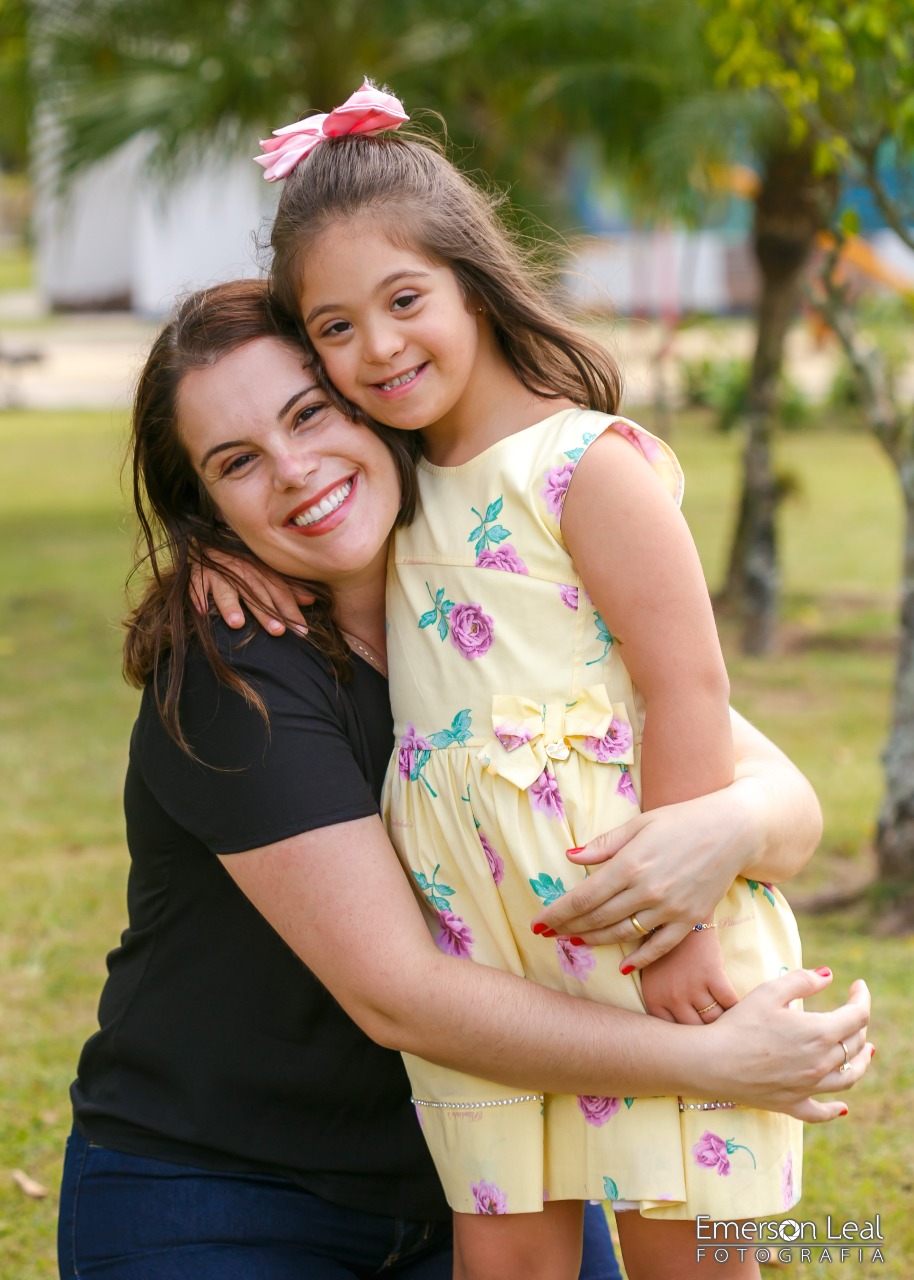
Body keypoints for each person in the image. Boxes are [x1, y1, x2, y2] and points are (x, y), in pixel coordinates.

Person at [143, 282, 874, 1280]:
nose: (293, 468)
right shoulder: (235, 670)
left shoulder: (496, 571)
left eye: (308, 411)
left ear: (372, 397)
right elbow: (400, 996)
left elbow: (784, 805)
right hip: (247, 1189)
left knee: (709, 1251)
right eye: (235, 462)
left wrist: (720, 828)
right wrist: (711, 1059)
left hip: (512, 1139)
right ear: (206, 509)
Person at [243, 80, 814, 1279]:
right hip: (476, 942)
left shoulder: (579, 465)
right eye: (334, 327)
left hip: (634, 917)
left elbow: (686, 690)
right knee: (502, 1256)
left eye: (404, 300)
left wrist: (674, 932)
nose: (377, 347)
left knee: (687, 1259)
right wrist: (205, 558)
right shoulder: (388, 485)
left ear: (471, 282)